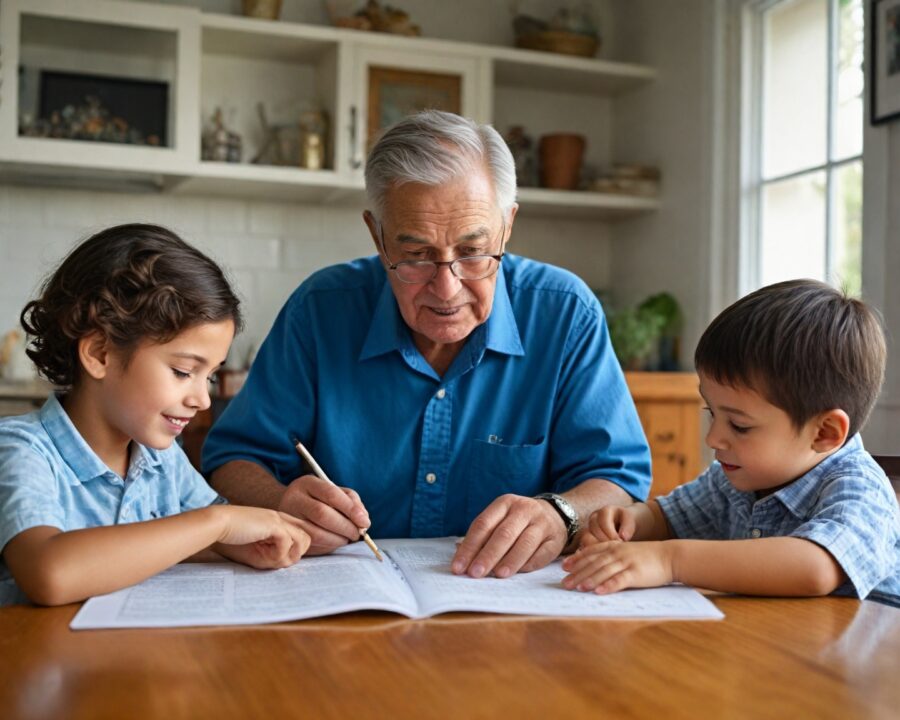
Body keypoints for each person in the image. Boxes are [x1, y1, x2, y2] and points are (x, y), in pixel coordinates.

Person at [203, 110, 651, 578]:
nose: (447, 288)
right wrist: (280, 503)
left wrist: (563, 513)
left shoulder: (565, 312)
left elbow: (617, 478)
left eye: (474, 252)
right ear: (377, 235)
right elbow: (234, 459)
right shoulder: (320, 310)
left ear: (507, 225)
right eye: (416, 257)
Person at [0, 224, 310, 607]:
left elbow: (190, 541)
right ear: (100, 354)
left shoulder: (161, 459)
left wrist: (239, 546)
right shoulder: (21, 450)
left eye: (209, 376)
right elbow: (50, 573)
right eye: (183, 371)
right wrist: (220, 525)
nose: (202, 400)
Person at [562, 279, 900, 604]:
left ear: (824, 432)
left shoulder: (860, 490)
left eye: (739, 425)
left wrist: (669, 559)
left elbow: (816, 567)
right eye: (712, 413)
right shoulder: (733, 479)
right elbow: (667, 517)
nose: (713, 438)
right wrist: (631, 522)